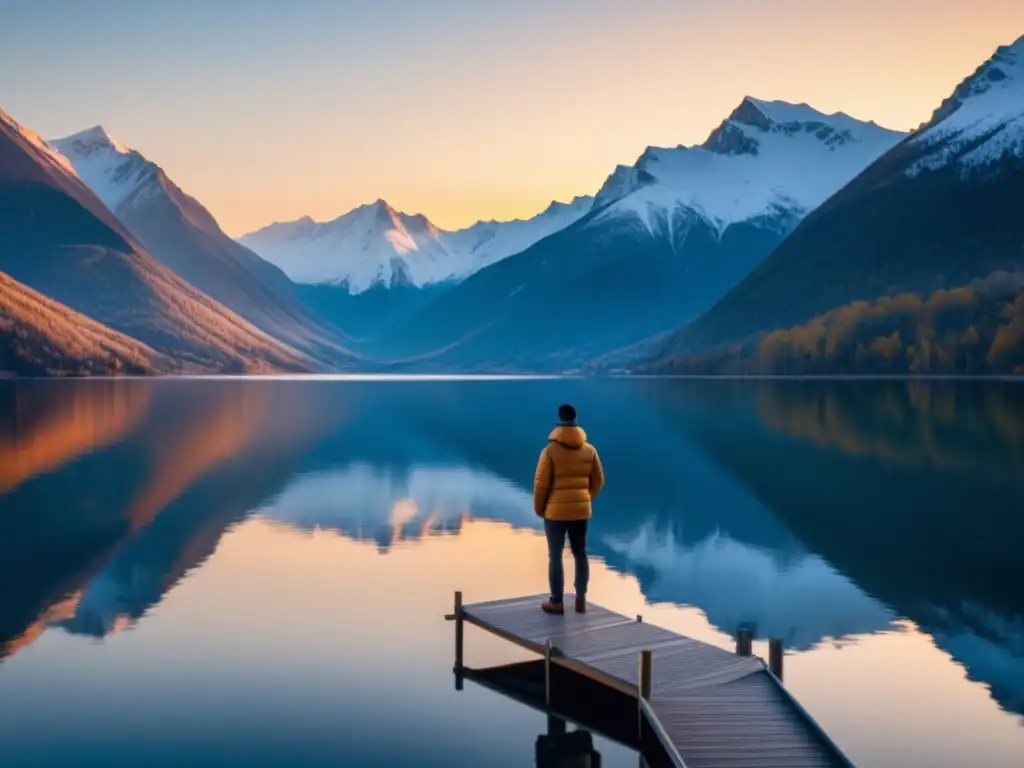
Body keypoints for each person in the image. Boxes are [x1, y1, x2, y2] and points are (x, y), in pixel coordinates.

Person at [533, 403, 605, 614]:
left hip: (554, 513)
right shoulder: (590, 450)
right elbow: (599, 480)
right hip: (581, 512)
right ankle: (581, 600)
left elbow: (541, 484)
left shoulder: (549, 452)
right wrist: (585, 498)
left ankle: (557, 601)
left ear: (559, 420)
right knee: (580, 553)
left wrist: (540, 509)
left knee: (555, 555)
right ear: (575, 421)